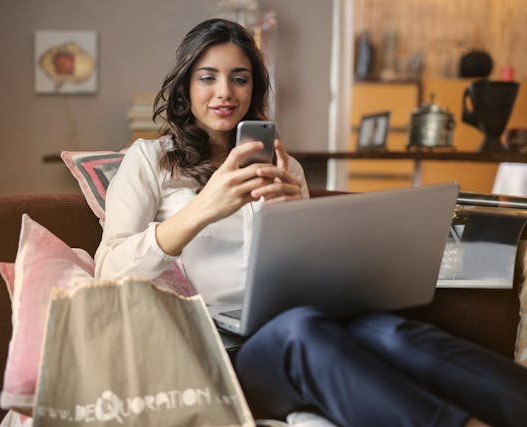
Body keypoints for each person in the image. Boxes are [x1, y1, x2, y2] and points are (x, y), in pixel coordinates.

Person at [95, 18, 527, 427]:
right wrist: (205, 206)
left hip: (315, 322)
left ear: (254, 88)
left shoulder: (285, 167)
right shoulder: (149, 161)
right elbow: (108, 270)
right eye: (208, 77)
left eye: (240, 78)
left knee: (391, 332)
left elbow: (314, 275)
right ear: (186, 86)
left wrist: (291, 215)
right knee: (301, 331)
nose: (224, 91)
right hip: (228, 353)